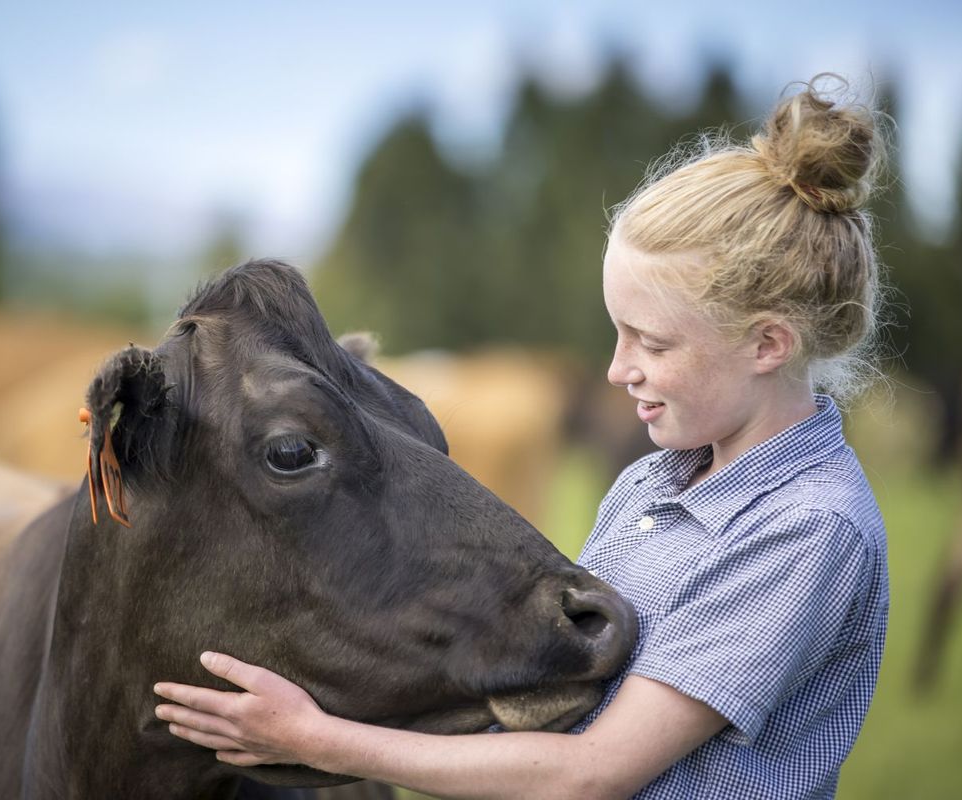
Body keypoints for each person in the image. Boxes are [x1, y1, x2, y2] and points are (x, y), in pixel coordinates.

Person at [153, 74, 891, 800]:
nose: (617, 369)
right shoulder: (652, 482)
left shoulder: (806, 530)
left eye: (653, 344)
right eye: (616, 333)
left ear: (767, 344)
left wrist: (311, 739)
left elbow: (591, 773)